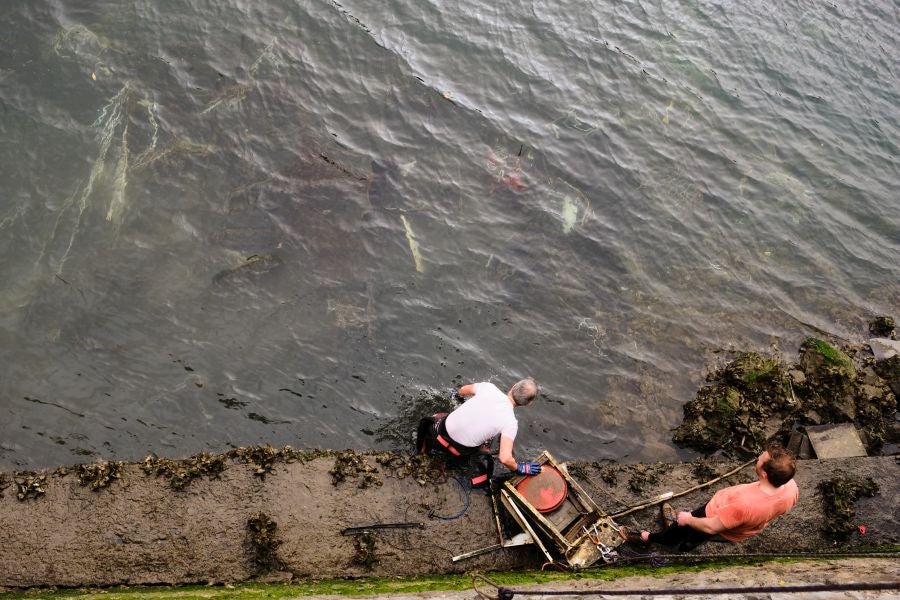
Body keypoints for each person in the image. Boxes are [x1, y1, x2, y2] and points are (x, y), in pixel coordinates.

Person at [620, 442, 799, 551]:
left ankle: (650, 539)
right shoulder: (790, 488)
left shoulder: (744, 505)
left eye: (762, 457)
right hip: (738, 528)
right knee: (696, 539)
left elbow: (712, 526)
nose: (759, 456)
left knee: (679, 530)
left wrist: (688, 519)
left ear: (765, 474)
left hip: (713, 517)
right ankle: (685, 546)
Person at [416, 378, 542, 482]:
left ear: (513, 386)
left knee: (440, 416)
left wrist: (457, 396)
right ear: (528, 404)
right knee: (487, 443)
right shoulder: (511, 423)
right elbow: (505, 458)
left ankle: (423, 451)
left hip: (436, 434)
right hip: (458, 452)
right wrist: (520, 468)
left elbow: (462, 390)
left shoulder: (489, 388)